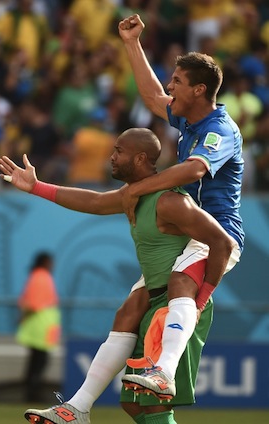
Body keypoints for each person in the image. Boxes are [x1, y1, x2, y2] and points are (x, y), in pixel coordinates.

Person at [0, 127, 236, 423]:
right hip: (153, 302)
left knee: (154, 405)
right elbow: (94, 203)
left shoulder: (170, 201)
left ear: (139, 158)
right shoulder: (133, 195)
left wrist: (200, 301)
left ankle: (87, 405)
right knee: (134, 405)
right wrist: (37, 187)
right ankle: (77, 408)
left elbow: (223, 243)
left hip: (178, 311)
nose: (111, 157)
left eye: (118, 151)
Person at [116, 13, 244, 397]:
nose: (170, 87)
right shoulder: (188, 122)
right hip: (183, 233)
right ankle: (77, 407)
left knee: (180, 283)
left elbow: (192, 171)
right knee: (132, 306)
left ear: (200, 90)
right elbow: (153, 97)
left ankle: (164, 373)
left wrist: (139, 189)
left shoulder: (220, 130)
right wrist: (132, 44)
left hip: (216, 232)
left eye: (178, 82)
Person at [16, 251, 61, 402]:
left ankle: (31, 391)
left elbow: (27, 302)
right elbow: (33, 304)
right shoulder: (42, 277)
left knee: (36, 360)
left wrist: (22, 318)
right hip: (40, 327)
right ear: (45, 262)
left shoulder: (36, 276)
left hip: (40, 326)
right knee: (39, 361)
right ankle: (31, 394)